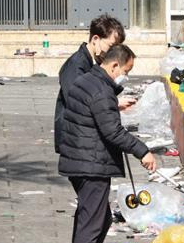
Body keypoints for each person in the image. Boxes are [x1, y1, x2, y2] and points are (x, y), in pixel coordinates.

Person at [58, 44, 157, 243]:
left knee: (97, 218)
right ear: (114, 65)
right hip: (90, 163)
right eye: (126, 70)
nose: (125, 75)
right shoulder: (101, 90)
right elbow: (112, 132)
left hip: (80, 159)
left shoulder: (90, 81)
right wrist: (142, 151)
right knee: (92, 221)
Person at [54, 14, 135, 155]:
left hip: (86, 138)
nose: (114, 53)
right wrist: (113, 103)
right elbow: (78, 101)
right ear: (95, 39)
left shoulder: (96, 63)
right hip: (75, 139)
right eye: (111, 46)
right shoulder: (76, 65)